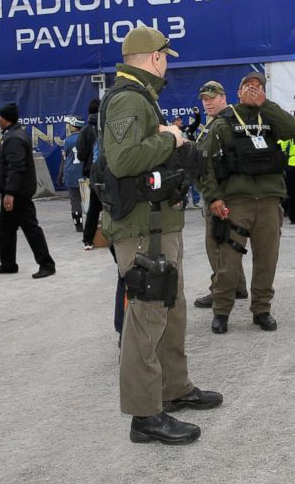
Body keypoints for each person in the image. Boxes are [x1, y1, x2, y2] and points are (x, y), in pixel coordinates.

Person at [97, 25, 222, 445]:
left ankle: (174, 388)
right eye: (166, 57)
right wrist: (169, 139)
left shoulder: (142, 98)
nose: (167, 63)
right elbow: (124, 158)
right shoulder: (129, 99)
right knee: (147, 317)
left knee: (171, 308)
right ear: (154, 58)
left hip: (158, 222)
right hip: (141, 227)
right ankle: (145, 415)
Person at [199, 71, 295, 334]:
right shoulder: (224, 122)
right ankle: (221, 311)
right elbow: (207, 165)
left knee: (267, 260)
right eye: (248, 86)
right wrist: (214, 198)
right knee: (228, 263)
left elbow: (294, 129)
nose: (253, 90)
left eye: (258, 87)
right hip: (236, 203)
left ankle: (262, 310)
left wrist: (265, 105)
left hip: (268, 202)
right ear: (238, 91)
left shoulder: (269, 117)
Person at [192, 80, 248, 310]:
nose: (207, 103)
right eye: (204, 99)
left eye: (211, 98)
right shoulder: (220, 122)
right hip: (224, 192)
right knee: (230, 243)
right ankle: (238, 286)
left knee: (216, 244)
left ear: (223, 97)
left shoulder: (223, 123)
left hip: (219, 193)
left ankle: (220, 289)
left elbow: (210, 161)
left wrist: (214, 196)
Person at [0, 103, 57, 279]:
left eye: (0, 118)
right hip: (12, 190)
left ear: (6, 119)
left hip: (18, 193)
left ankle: (47, 264)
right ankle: (8, 263)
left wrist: (10, 193)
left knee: (30, 227)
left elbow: (16, 167)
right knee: (6, 228)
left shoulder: (14, 138)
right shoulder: (12, 134)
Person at [77, 99, 102, 250]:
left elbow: (80, 154)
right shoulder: (106, 126)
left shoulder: (85, 130)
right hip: (109, 171)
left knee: (94, 207)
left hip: (92, 173)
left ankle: (88, 240)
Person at [62, 119, 85, 232]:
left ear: (75, 126)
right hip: (84, 172)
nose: (68, 126)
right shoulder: (85, 137)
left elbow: (65, 157)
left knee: (75, 200)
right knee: (88, 199)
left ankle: (78, 224)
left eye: (69, 125)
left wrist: (61, 174)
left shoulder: (67, 140)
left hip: (71, 172)